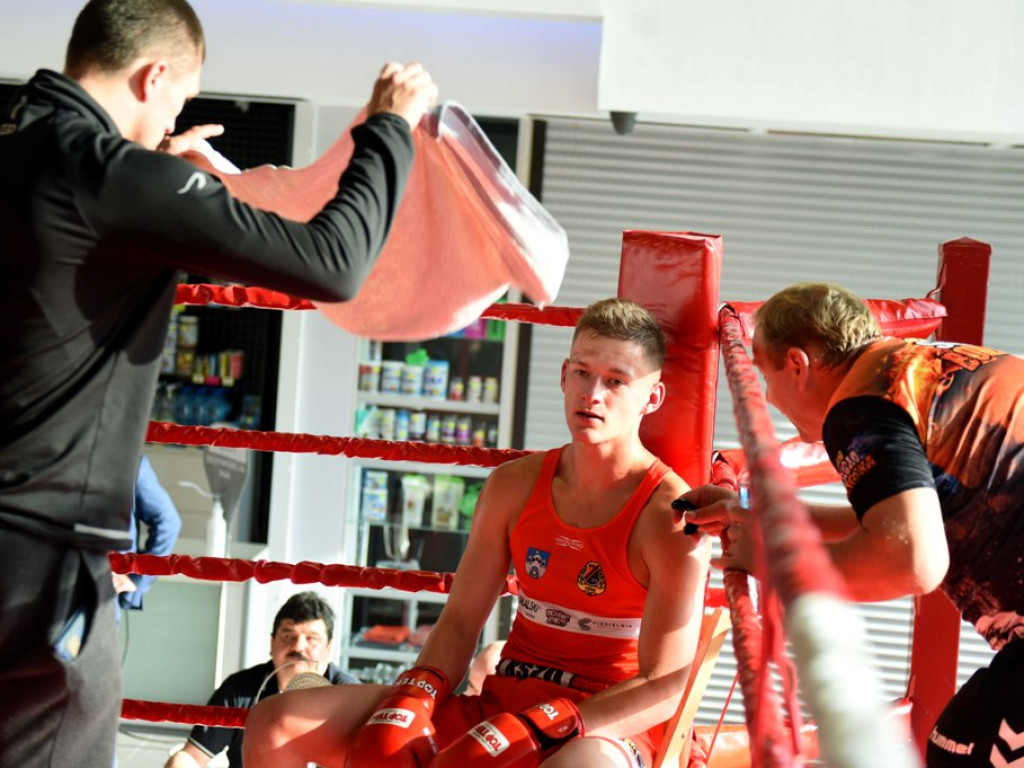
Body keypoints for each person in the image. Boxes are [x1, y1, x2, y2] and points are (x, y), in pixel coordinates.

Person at [0, 1, 437, 765]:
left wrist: (158, 174)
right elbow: (333, 263)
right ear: (154, 74)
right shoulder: (111, 177)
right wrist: (389, 129)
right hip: (38, 550)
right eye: (178, 97)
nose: (176, 115)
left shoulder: (17, 142)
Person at [242, 298, 711, 768]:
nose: (593, 394)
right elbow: (463, 620)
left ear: (651, 398)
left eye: (616, 381)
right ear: (564, 374)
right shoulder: (513, 485)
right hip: (498, 710)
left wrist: (547, 724)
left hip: (600, 728)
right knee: (276, 724)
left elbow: (665, 685)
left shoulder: (667, 516)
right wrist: (418, 690)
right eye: (583, 373)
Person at [678, 282, 1024, 768]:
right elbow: (893, 523)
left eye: (765, 376)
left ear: (798, 364)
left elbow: (909, 560)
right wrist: (758, 521)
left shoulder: (862, 405)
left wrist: (774, 563)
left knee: (961, 749)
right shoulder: (926, 364)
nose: (769, 399)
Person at [163, 591, 357, 768]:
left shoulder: (350, 697)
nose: (298, 647)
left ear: (329, 648)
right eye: (288, 636)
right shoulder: (241, 688)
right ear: (272, 644)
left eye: (312, 639)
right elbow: (191, 757)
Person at [113, 455, 182, 612]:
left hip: (58, 569)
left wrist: (137, 579)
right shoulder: (130, 458)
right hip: (102, 585)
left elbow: (169, 523)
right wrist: (137, 580)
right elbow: (169, 522)